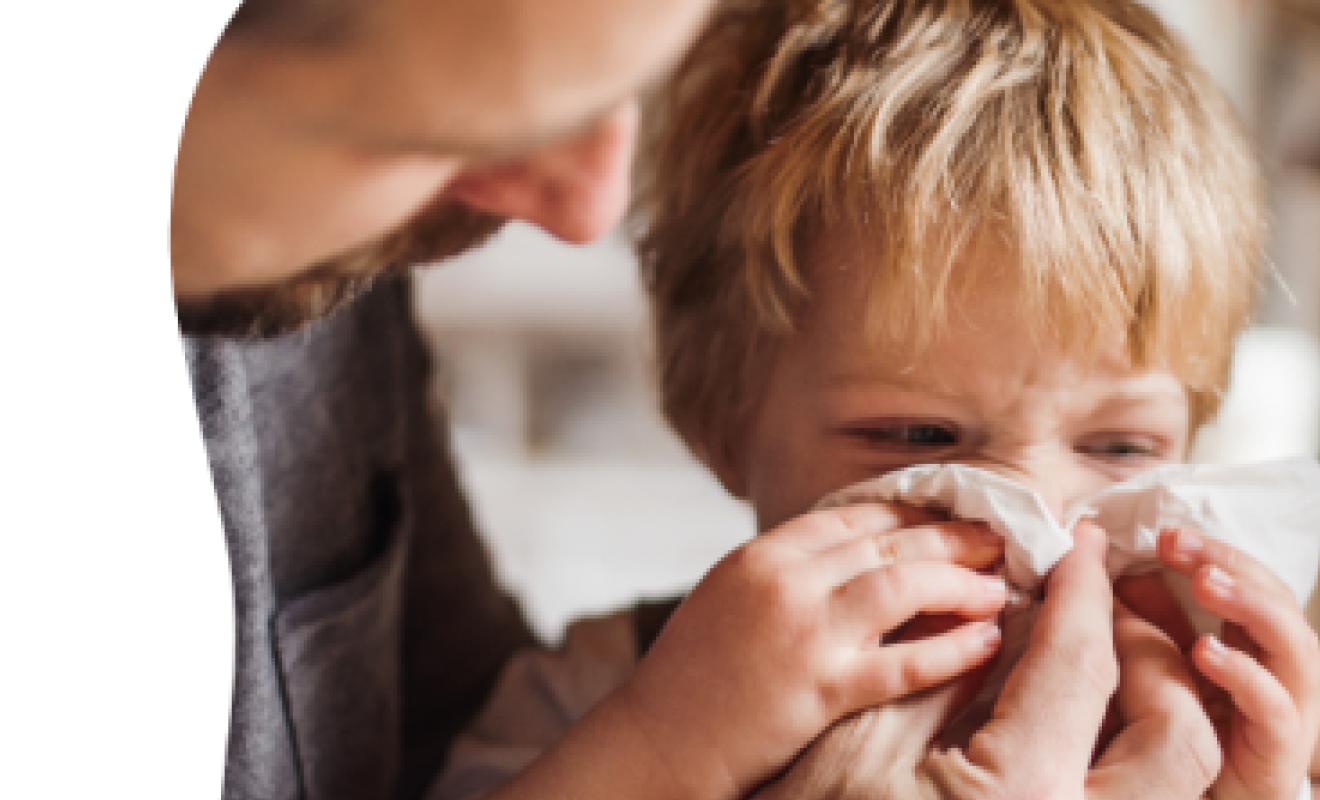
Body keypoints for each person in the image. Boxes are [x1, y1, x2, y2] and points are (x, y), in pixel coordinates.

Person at [185, 2, 1236, 800]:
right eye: (919, 438)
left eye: (1122, 445)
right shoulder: (612, 696)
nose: (1036, 527)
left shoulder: (1190, 718)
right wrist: (664, 744)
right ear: (717, 418)